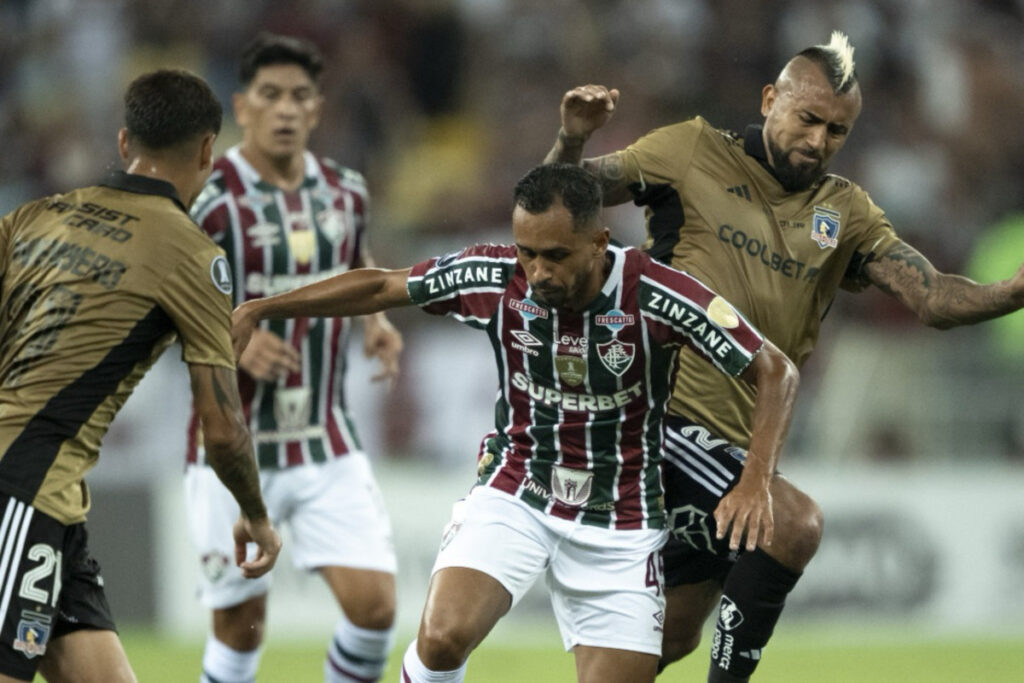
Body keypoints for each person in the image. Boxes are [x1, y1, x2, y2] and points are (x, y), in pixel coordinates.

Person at [544, 31, 1024, 682]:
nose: (819, 141)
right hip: (659, 418)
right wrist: (572, 139)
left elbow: (932, 295)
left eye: (837, 131)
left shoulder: (845, 212)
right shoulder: (690, 151)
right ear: (771, 99)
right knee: (793, 524)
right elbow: (555, 211)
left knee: (671, 638)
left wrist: (1012, 290)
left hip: (744, 448)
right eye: (808, 119)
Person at [231, 163, 800, 683]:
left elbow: (776, 371)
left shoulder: (656, 294)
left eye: (555, 256)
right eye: (527, 252)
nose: (538, 271)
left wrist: (754, 481)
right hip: (517, 492)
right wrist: (261, 309)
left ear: (600, 242)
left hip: (621, 521)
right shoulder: (496, 275)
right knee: (442, 637)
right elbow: (383, 284)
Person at [0, 69, 281, 683]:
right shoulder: (193, 257)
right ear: (209, 150)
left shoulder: (33, 218)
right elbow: (223, 428)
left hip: (54, 501)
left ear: (125, 142)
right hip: (22, 485)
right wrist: (255, 512)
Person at [184, 33, 403, 683]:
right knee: (240, 626)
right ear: (242, 106)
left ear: (317, 108)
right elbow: (155, 306)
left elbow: (359, 263)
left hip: (325, 439)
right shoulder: (207, 196)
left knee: (376, 608)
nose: (285, 109)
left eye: (299, 97)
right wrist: (232, 342)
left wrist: (379, 320)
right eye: (271, 95)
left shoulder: (347, 191)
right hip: (230, 442)